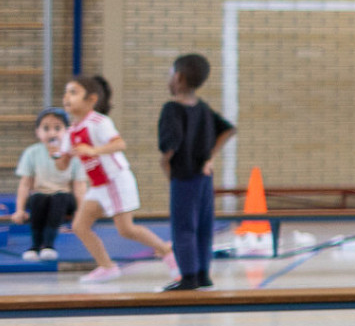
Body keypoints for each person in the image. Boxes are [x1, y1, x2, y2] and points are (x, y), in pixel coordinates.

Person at [61, 74, 176, 284]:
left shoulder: (99, 122)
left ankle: (167, 252)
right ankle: (107, 266)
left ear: (91, 100)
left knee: (126, 229)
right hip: (98, 186)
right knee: (80, 226)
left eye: (74, 92)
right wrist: (58, 154)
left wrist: (93, 150)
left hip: (115, 180)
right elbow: (62, 165)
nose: (67, 97)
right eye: (66, 92)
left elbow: (119, 144)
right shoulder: (70, 132)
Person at [157, 53, 235, 291]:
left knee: (183, 228)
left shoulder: (171, 109)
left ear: (178, 78)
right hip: (204, 177)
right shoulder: (202, 108)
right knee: (203, 226)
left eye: (171, 74)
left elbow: (171, 145)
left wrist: (165, 164)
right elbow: (228, 130)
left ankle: (188, 277)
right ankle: (203, 274)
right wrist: (210, 157)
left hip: (184, 175)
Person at [11, 109, 81, 260]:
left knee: (59, 198)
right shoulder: (32, 153)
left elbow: (79, 186)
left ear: (67, 131)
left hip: (64, 197)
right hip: (40, 195)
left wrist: (80, 212)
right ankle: (35, 245)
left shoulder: (72, 154)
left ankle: (48, 244)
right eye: (46, 128)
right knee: (38, 199)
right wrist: (19, 210)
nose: (52, 133)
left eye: (57, 128)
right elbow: (25, 184)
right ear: (38, 132)